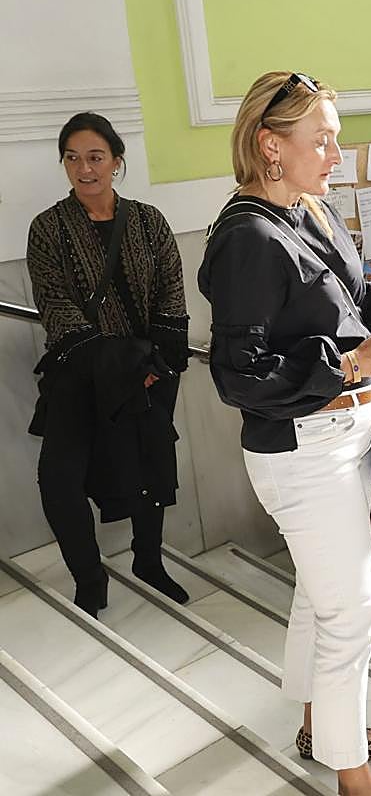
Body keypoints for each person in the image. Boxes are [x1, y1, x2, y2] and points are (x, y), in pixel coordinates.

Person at [198, 71, 371, 795]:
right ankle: (352, 776)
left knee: (317, 600)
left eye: (336, 139)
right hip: (304, 453)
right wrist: (352, 366)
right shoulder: (249, 237)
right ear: (271, 146)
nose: (335, 155)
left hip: (343, 442)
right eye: (321, 140)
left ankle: (319, 725)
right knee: (353, 616)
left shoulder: (309, 212)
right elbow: (238, 375)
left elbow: (349, 308)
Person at [26, 112, 191, 618]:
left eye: (95, 157)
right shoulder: (48, 228)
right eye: (72, 158)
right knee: (59, 480)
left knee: (149, 467)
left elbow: (171, 294)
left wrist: (155, 364)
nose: (84, 168)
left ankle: (148, 561)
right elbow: (55, 304)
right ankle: (89, 579)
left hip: (150, 371)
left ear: (117, 162)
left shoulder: (149, 222)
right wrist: (118, 367)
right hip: (80, 373)